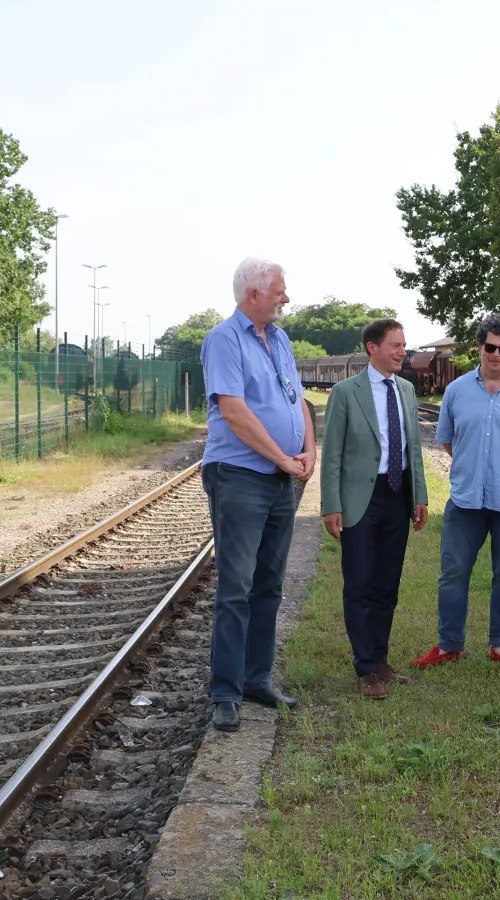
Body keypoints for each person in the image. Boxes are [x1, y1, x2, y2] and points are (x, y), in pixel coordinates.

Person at [200, 257, 313, 732]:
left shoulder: (281, 339)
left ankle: (256, 679)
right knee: (236, 586)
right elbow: (234, 411)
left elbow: (298, 399)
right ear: (253, 295)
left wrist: (309, 449)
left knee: (269, 582)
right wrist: (281, 458)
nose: (286, 298)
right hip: (241, 474)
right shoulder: (224, 340)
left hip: (279, 479)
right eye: (280, 291)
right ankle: (226, 690)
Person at [413, 313, 500, 668]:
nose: (496, 354)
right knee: (453, 572)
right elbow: (447, 441)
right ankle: (449, 646)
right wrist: (475, 466)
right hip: (466, 500)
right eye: (490, 347)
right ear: (479, 347)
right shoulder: (457, 391)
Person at [320, 319, 429, 700]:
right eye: (395, 345)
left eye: (404, 345)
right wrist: (331, 504)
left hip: (397, 493)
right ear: (372, 347)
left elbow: (413, 448)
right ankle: (365, 668)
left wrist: (420, 496)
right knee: (360, 584)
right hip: (359, 499)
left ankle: (381, 660)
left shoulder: (406, 390)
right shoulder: (346, 393)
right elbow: (331, 453)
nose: (402, 352)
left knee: (387, 584)